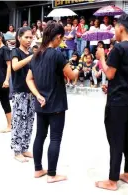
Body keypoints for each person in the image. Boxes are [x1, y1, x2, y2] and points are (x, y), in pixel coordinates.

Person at [25, 21, 79, 183]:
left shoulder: (36, 55)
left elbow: (29, 79)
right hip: (56, 104)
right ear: (57, 37)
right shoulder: (57, 55)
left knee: (40, 136)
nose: (61, 41)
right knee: (55, 138)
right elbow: (71, 76)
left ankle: (38, 169)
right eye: (61, 38)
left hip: (41, 104)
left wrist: (38, 95)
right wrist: (77, 68)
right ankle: (52, 174)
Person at [95, 13, 128, 191]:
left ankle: (112, 180)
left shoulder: (117, 48)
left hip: (117, 100)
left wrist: (101, 57)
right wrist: (118, 84)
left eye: (115, 27)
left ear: (121, 28)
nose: (113, 30)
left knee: (115, 138)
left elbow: (109, 74)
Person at [10, 27, 35, 162]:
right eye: (26, 37)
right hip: (20, 91)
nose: (29, 40)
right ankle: (17, 150)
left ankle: (25, 147)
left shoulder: (30, 52)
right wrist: (31, 57)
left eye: (31, 37)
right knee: (19, 120)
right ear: (19, 38)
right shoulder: (15, 51)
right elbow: (15, 66)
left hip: (31, 91)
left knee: (29, 120)